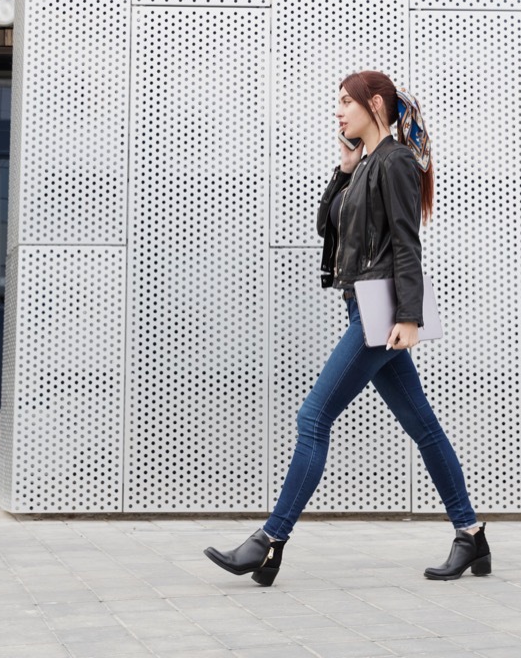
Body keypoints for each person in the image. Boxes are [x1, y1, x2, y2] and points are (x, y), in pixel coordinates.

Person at [204, 70, 490, 586]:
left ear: (374, 104)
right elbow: (327, 228)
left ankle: (269, 542)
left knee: (313, 416)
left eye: (345, 102)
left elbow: (407, 242)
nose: (337, 111)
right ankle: (471, 534)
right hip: (363, 306)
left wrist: (408, 317)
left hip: (382, 311)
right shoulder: (364, 165)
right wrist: (343, 171)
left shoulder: (397, 161)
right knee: (422, 425)